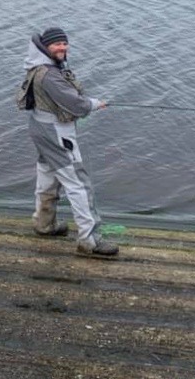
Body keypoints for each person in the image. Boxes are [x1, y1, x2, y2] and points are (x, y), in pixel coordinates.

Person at [21, 27, 118, 257]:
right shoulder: (50, 75)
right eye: (57, 44)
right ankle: (90, 241)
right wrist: (95, 104)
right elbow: (77, 105)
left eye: (65, 43)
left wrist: (88, 103)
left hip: (40, 129)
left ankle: (44, 224)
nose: (62, 47)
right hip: (56, 133)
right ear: (46, 47)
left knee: (47, 175)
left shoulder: (38, 66)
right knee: (79, 184)